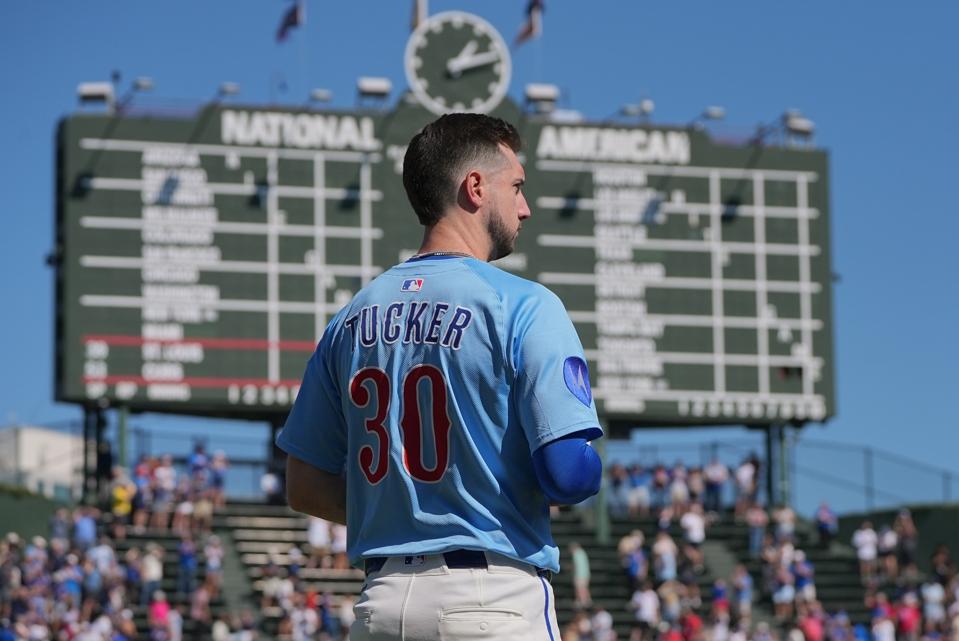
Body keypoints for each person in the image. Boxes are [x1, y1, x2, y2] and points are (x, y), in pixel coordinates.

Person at [277, 112, 604, 641]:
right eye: (516, 186)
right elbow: (568, 474)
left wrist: (405, 510)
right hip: (491, 598)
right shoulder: (524, 304)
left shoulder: (351, 318)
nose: (525, 207)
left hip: (381, 605)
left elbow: (305, 485)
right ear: (475, 187)